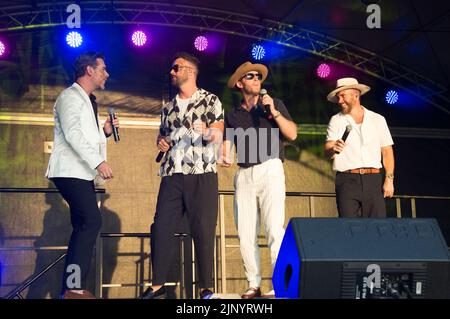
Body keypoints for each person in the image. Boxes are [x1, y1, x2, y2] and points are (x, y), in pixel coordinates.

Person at [142, 52, 224, 299]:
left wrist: (207, 131)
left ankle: (205, 288)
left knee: (203, 229)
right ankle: (157, 286)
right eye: (172, 68)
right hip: (172, 174)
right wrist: (161, 143)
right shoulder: (167, 108)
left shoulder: (210, 100)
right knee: (161, 227)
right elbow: (162, 136)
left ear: (190, 71)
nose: (172, 72)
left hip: (201, 173)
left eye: (176, 68)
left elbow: (218, 135)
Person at [45, 51, 119, 299]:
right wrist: (99, 162)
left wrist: (105, 132)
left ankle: (72, 287)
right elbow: (73, 134)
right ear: (89, 70)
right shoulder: (70, 96)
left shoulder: (88, 100)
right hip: (69, 171)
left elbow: (87, 135)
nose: (106, 73)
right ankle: (73, 288)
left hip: (80, 173)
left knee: (83, 224)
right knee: (91, 221)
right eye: (103, 68)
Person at [221, 62, 297, 299]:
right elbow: (227, 144)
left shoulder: (273, 104)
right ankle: (253, 284)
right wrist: (224, 155)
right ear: (241, 83)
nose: (256, 79)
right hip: (244, 174)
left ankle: (280, 285)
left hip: (270, 168)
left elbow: (293, 134)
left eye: (258, 76)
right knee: (245, 232)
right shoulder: (233, 113)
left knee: (274, 229)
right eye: (250, 76)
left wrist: (273, 111)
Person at [324, 77, 395, 218]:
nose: (340, 101)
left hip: (373, 179)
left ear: (356, 95)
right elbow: (327, 149)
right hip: (347, 180)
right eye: (338, 97)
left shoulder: (377, 119)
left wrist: (389, 179)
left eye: (343, 96)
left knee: (377, 227)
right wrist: (333, 148)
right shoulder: (336, 120)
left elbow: (387, 151)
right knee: (349, 227)